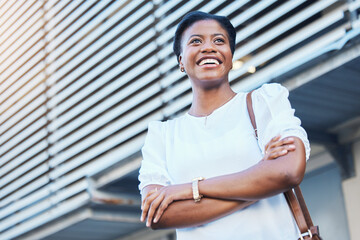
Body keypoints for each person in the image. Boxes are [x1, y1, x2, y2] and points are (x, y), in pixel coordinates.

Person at [138, 11, 310, 239]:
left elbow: (288, 171)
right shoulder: (163, 136)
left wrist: (188, 190)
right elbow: (158, 216)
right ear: (181, 60)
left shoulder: (264, 103)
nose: (209, 47)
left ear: (230, 56)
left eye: (219, 40)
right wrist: (262, 179)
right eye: (195, 41)